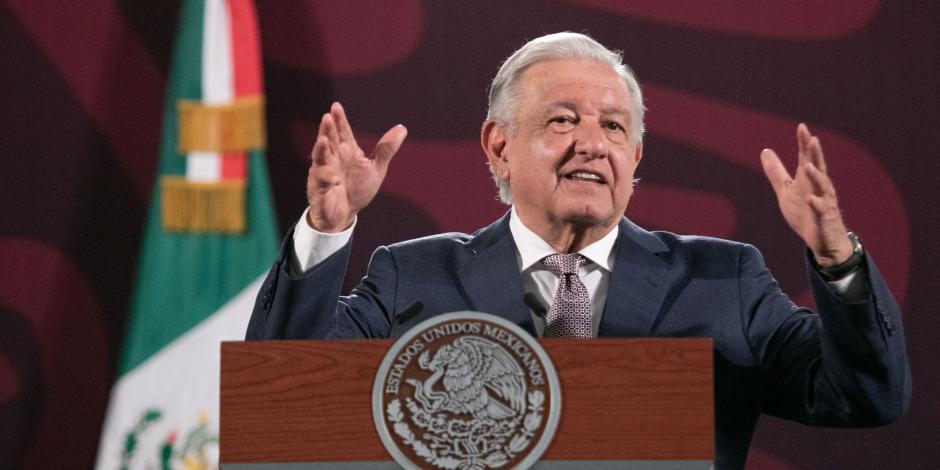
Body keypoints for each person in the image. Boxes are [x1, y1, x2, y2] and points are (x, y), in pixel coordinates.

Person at [246, 32, 910, 469]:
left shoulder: (721, 280)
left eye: (614, 127)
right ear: (499, 146)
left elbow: (867, 396)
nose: (592, 142)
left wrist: (836, 259)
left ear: (636, 156)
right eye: (563, 119)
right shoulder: (413, 276)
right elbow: (280, 398)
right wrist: (326, 230)